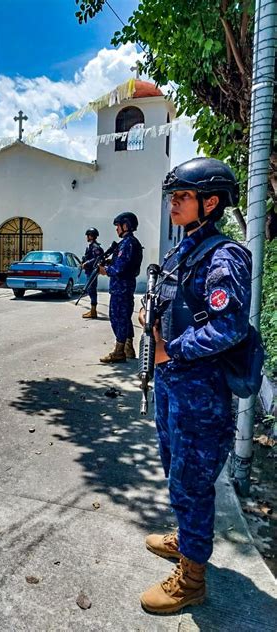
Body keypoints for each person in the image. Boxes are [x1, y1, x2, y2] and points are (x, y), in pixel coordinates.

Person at [139, 157, 251, 614]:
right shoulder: (184, 249)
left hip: (199, 394)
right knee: (174, 469)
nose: (173, 205)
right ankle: (187, 539)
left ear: (210, 202)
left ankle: (192, 578)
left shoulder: (224, 256)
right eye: (172, 197)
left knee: (192, 482)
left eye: (182, 197)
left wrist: (173, 350)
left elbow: (229, 327)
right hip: (172, 386)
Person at [98, 212, 143, 362]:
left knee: (118, 318)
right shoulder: (130, 243)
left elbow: (119, 269)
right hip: (124, 287)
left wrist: (105, 270)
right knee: (124, 317)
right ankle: (128, 348)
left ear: (126, 225)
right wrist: (112, 261)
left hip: (121, 288)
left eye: (118, 226)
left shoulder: (128, 243)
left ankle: (119, 351)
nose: (116, 229)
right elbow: (124, 263)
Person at [81, 228, 104, 319]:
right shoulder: (91, 246)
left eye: (88, 235)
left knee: (92, 290)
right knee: (90, 290)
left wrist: (87, 263)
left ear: (91, 236)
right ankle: (92, 310)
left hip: (92, 271)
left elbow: (97, 258)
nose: (87, 237)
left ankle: (93, 311)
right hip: (89, 271)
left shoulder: (95, 247)